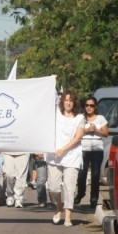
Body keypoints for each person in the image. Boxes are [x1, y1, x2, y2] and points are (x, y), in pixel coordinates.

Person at [46, 90, 85, 227]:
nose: (68, 102)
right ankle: (58, 206)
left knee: (69, 187)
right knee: (53, 187)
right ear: (62, 101)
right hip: (53, 156)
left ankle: (68, 215)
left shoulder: (80, 118)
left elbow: (78, 137)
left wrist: (64, 149)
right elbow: (47, 99)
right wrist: (52, 82)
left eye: (71, 100)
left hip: (71, 156)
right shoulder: (56, 113)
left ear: (74, 102)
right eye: (66, 100)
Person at [75, 96, 108, 208]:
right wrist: (86, 130)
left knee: (95, 174)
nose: (89, 108)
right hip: (83, 149)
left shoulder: (100, 118)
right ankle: (80, 193)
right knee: (82, 173)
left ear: (95, 107)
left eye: (92, 105)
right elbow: (75, 133)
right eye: (87, 105)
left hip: (97, 150)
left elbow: (106, 133)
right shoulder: (80, 118)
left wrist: (96, 130)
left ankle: (94, 198)